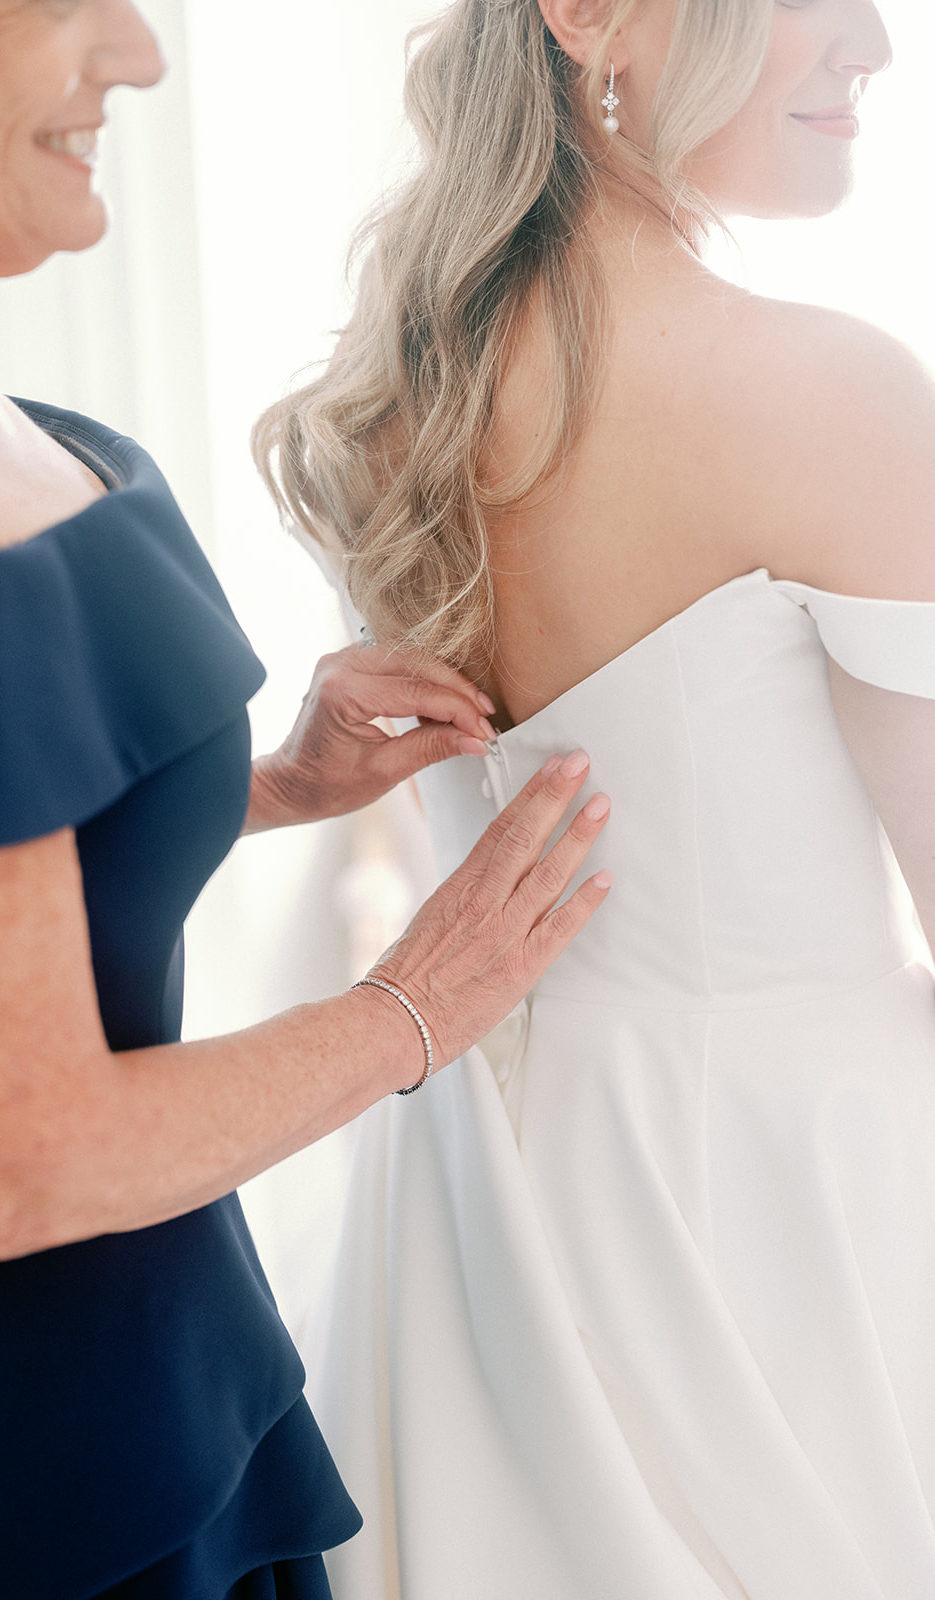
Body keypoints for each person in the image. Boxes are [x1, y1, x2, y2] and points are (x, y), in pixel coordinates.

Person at [0, 2, 617, 1597]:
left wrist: (277, 788)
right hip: (15, 1465)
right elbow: (4, 1162)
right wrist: (411, 1010)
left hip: (149, 1370)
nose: (136, 53)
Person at [255, 0, 935, 1595]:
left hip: (473, 1196)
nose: (878, 45)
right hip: (793, 1216)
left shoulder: (397, 392)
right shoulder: (828, 392)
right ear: (591, 16)